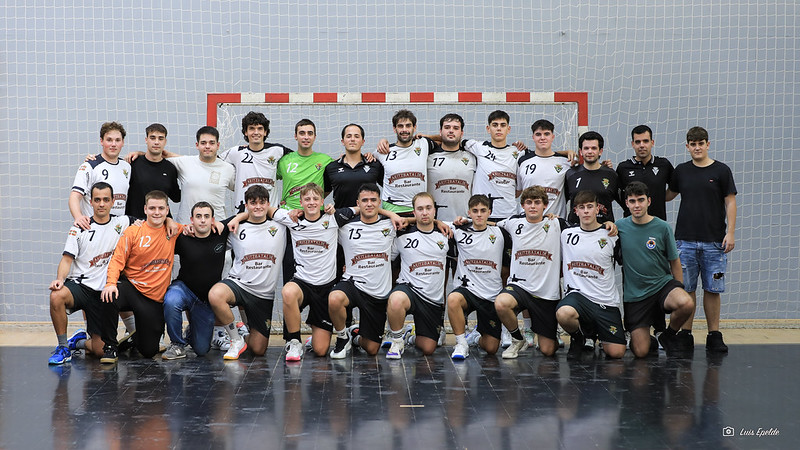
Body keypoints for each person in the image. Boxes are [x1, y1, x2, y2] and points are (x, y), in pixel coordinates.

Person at [667, 127, 737, 353]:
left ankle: (714, 334)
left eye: (701, 143)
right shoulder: (681, 171)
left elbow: (730, 202)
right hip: (684, 241)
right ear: (687, 146)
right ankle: (685, 334)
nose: (697, 148)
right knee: (686, 289)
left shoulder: (721, 170)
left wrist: (730, 232)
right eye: (693, 144)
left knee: (713, 289)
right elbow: (667, 195)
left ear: (708, 144)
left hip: (714, 242)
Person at [48, 182, 134, 365]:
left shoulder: (123, 222)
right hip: (81, 287)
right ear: (91, 202)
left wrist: (168, 221)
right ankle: (63, 347)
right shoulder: (80, 227)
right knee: (56, 296)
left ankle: (78, 342)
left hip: (102, 293)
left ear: (112, 202)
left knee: (99, 350)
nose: (101, 204)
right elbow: (66, 259)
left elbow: (151, 221)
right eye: (97, 200)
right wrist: (59, 279)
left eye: (106, 200)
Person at [102, 190, 184, 361]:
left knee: (149, 351)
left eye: (161, 208)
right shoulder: (133, 231)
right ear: (145, 209)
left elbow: (196, 228)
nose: (156, 212)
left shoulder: (173, 230)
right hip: (132, 288)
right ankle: (110, 346)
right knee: (109, 295)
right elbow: (117, 260)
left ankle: (134, 337)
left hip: (153, 299)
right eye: (152, 208)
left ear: (167, 210)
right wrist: (110, 283)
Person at [616, 181, 695, 357]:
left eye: (641, 200)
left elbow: (674, 261)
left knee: (686, 303)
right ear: (627, 203)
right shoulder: (619, 227)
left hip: (661, 286)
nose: (637, 205)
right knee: (640, 352)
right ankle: (649, 339)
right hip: (636, 295)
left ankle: (668, 335)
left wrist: (679, 287)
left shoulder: (662, 227)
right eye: (632, 201)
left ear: (649, 201)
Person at [207, 185, 286, 360]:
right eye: (253, 203)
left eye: (262, 202)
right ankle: (236, 339)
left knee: (258, 350)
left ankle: (244, 335)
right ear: (246, 205)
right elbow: (210, 240)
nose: (258, 206)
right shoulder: (235, 228)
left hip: (263, 295)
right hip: (239, 284)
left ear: (268, 204)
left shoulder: (280, 226)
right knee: (215, 295)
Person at [493, 186, 567, 358]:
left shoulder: (557, 224)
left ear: (545, 205)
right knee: (501, 303)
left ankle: (551, 333)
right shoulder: (513, 223)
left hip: (546, 294)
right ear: (523, 205)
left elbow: (584, 229)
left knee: (548, 350)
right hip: (520, 287)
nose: (533, 206)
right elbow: (488, 224)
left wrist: (607, 225)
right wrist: (458, 221)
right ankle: (517, 339)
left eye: (537, 202)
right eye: (529, 202)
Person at [273, 183, 343, 360]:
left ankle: (315, 335)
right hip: (302, 283)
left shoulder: (332, 219)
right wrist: (238, 217)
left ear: (322, 201)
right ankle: (295, 342)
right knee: (288, 291)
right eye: (307, 199)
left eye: (315, 198)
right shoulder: (292, 219)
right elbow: (268, 210)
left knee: (320, 351)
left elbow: (358, 209)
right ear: (301, 202)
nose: (311, 202)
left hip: (325, 288)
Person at [328, 183, 397, 358]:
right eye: (364, 200)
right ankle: (342, 337)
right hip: (353, 283)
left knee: (372, 349)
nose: (369, 204)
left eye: (373, 200)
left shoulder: (391, 225)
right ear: (358, 203)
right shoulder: (345, 227)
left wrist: (391, 214)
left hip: (377, 292)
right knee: (334, 298)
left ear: (380, 202)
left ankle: (355, 337)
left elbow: (417, 221)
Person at [556, 190, 626, 359]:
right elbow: (541, 220)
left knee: (616, 353)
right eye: (582, 207)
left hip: (605, 300)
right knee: (564, 313)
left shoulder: (611, 235)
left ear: (597, 209)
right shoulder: (566, 233)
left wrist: (611, 224)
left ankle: (594, 331)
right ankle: (578, 337)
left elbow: (625, 263)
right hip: (578, 297)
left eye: (590, 206)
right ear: (576, 211)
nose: (586, 211)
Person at [161, 202, 229, 360]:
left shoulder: (221, 233)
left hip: (206, 299)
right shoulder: (183, 237)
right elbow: (157, 225)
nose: (203, 220)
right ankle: (177, 344)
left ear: (213, 220)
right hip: (184, 289)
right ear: (192, 220)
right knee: (171, 300)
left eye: (206, 216)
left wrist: (227, 222)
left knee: (201, 349)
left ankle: (192, 331)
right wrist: (169, 220)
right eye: (198, 216)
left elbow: (242, 216)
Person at [385, 192, 449, 359]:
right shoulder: (401, 234)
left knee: (428, 348)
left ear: (435, 210)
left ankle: (409, 337)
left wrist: (438, 222)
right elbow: (385, 260)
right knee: (396, 299)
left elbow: (478, 223)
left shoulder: (447, 233)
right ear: (414, 212)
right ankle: (397, 340)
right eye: (420, 209)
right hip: (409, 289)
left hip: (431, 299)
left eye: (428, 208)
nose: (424, 212)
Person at [276, 119, 334, 283]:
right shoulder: (284, 161)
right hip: (289, 219)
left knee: (315, 263)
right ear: (295, 136)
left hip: (315, 220)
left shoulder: (326, 160)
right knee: (289, 263)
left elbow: (336, 180)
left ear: (315, 136)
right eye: (302, 133)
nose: (306, 137)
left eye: (310, 133)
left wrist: (316, 203)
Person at [447, 194, 505, 359]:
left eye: (483, 211)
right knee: (453, 299)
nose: (479, 214)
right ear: (469, 213)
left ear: (489, 212)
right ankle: (461, 343)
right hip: (468, 290)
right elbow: (431, 221)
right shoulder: (458, 230)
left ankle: (475, 338)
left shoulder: (500, 232)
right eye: (475, 211)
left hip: (490, 294)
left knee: (491, 348)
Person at [162, 126, 235, 224]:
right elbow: (154, 157)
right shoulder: (184, 163)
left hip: (216, 227)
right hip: (187, 226)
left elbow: (243, 189)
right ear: (197, 145)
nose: (207, 146)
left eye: (212, 143)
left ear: (218, 145)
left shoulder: (228, 169)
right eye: (203, 143)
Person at [219, 111, 291, 210]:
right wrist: (231, 182)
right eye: (252, 128)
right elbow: (214, 162)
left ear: (265, 132)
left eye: (260, 129)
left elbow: (298, 160)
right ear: (245, 132)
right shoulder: (236, 152)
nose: (256, 132)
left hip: (270, 213)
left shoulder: (277, 150)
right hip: (243, 213)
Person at [70, 122, 131, 230]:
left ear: (123, 142)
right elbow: (75, 196)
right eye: (109, 140)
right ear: (101, 141)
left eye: (117, 140)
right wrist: (78, 217)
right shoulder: (89, 166)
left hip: (117, 231)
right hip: (94, 229)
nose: (113, 144)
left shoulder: (126, 167)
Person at [375, 109, 433, 215]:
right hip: (392, 211)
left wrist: (427, 136)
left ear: (414, 127)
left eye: (408, 126)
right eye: (400, 126)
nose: (404, 130)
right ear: (394, 129)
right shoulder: (383, 151)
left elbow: (446, 140)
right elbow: (366, 158)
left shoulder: (424, 144)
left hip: (418, 209)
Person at [615, 125, 675, 220]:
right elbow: (616, 193)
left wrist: (660, 197)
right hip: (631, 223)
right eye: (638, 142)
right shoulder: (623, 168)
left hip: (657, 222)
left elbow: (675, 186)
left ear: (652, 142)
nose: (642, 145)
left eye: (645, 141)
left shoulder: (664, 164)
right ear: (632, 144)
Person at [426, 113, 477, 223]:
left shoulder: (472, 157)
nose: (451, 131)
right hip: (436, 224)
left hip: (464, 222)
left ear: (462, 133)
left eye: (456, 128)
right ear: (440, 131)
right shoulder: (427, 157)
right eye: (447, 127)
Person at [516, 119, 571, 217]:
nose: (542, 138)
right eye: (538, 134)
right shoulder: (522, 161)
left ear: (552, 137)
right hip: (527, 220)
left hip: (555, 220)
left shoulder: (566, 162)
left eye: (546, 134)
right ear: (533, 137)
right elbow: (518, 191)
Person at [124, 123, 180, 219]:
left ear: (165, 141)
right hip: (136, 223)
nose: (156, 142)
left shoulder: (170, 168)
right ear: (146, 140)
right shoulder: (132, 163)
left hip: (160, 223)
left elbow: (176, 197)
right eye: (152, 138)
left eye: (160, 138)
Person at [323, 124, 384, 209]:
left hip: (368, 216)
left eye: (356, 136)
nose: (352, 139)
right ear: (342, 141)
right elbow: (323, 193)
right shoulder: (331, 167)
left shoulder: (374, 164)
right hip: (341, 216)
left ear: (363, 142)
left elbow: (388, 187)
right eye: (348, 136)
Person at [564, 131, 619, 224]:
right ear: (581, 152)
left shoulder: (611, 175)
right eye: (586, 148)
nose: (590, 151)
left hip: (603, 229)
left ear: (600, 151)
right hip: (576, 228)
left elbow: (626, 202)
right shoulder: (571, 174)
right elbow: (561, 201)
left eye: (594, 148)